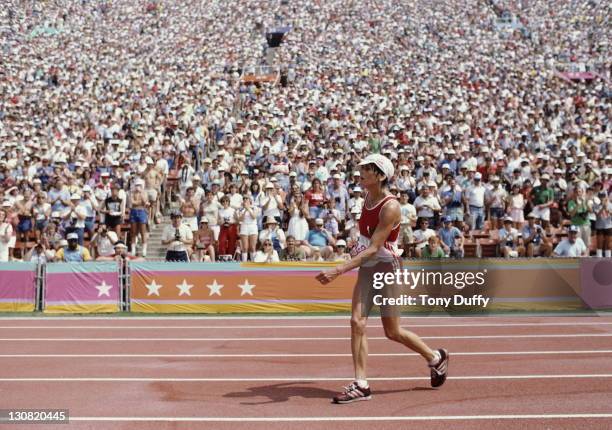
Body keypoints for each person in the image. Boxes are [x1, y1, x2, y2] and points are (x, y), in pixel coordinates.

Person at [316, 154, 448, 404]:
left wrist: (338, 270)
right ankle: (361, 384)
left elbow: (375, 248)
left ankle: (435, 358)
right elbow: (366, 241)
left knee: (392, 331)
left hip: (387, 268)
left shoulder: (390, 207)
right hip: (368, 266)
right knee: (357, 321)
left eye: (366, 170)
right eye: (361, 168)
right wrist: (355, 248)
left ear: (380, 175)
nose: (361, 173)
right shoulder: (367, 196)